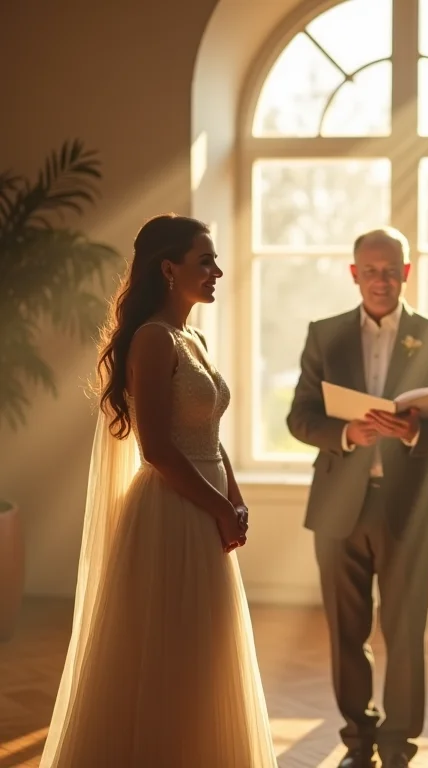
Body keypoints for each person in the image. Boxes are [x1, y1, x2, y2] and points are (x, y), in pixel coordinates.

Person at [40, 214, 277, 767]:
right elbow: (157, 448)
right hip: (172, 512)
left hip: (207, 507)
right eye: (206, 260)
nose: (217, 271)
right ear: (169, 269)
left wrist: (236, 500)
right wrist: (221, 506)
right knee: (170, 654)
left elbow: (208, 437)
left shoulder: (192, 336)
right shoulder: (151, 338)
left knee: (206, 655)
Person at [286, 227, 428, 768]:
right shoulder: (324, 335)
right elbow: (299, 417)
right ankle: (358, 740)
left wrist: (413, 431)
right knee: (347, 633)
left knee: (406, 632)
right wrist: (347, 435)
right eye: (370, 271)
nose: (381, 280)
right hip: (338, 508)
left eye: (391, 270)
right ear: (354, 275)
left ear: (407, 273)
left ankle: (398, 746)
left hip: (409, 510)